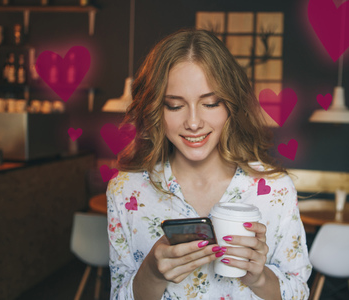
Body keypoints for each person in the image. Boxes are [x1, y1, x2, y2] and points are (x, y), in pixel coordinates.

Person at [107, 28, 312, 300]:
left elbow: (299, 293)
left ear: (230, 104)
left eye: (210, 103)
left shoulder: (275, 191)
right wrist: (152, 273)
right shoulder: (125, 190)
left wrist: (260, 278)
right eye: (175, 105)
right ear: (156, 109)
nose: (193, 123)